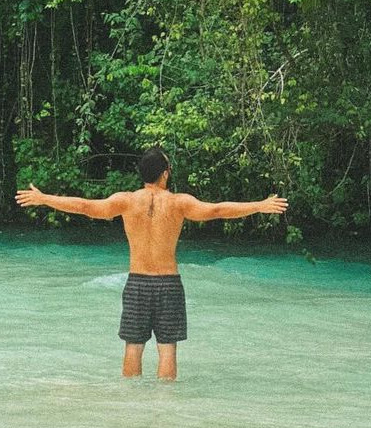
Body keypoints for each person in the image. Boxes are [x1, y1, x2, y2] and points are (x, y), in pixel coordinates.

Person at [15, 146, 288, 380]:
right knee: (167, 348)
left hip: (137, 283)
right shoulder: (179, 203)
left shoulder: (126, 201)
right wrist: (259, 205)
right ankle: (164, 406)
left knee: (133, 346)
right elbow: (217, 210)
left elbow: (85, 206)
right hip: (168, 284)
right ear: (165, 173)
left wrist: (44, 199)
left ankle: (132, 402)